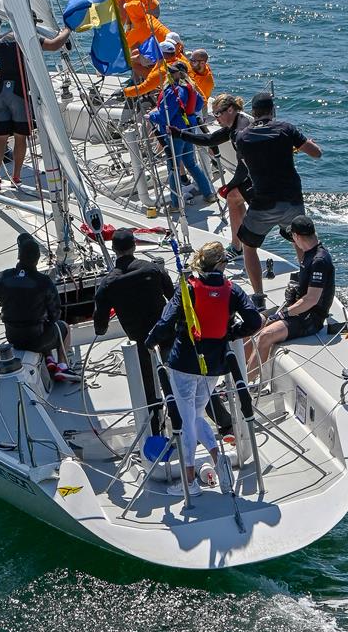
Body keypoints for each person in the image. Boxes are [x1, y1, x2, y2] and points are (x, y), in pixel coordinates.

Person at [147, 241, 262, 495]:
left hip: (184, 362)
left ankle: (190, 483)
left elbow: (165, 322)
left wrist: (150, 342)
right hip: (214, 364)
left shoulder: (187, 289)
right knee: (196, 416)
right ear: (221, 265)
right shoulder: (233, 290)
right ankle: (217, 460)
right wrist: (232, 333)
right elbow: (255, 320)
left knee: (187, 421)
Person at [234, 91, 322, 307]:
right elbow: (316, 153)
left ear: (253, 113)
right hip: (291, 200)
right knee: (300, 242)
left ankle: (258, 297)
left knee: (248, 245)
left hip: (263, 202)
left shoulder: (242, 137)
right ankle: (305, 288)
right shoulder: (286, 129)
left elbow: (249, 162)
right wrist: (299, 145)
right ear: (273, 110)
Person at [93, 229, 174, 435]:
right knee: (176, 379)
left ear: (113, 250)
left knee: (150, 389)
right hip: (166, 333)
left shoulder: (108, 283)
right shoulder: (153, 269)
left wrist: (103, 326)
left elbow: (100, 326)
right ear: (134, 246)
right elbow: (173, 297)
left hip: (141, 342)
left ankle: (156, 431)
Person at [0, 24, 71, 191]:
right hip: (19, 93)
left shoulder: (0, 39)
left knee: (0, 137)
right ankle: (16, 177)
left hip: (1, 92)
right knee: (20, 137)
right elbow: (54, 45)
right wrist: (68, 29)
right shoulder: (27, 39)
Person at [0, 232, 71, 377]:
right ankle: (62, 365)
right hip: (37, 340)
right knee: (63, 327)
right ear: (37, 259)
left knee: (41, 324)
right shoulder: (44, 282)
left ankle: (49, 358)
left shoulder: (1, 278)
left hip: (14, 338)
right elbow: (55, 314)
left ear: (18, 257)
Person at [173, 93, 251, 261]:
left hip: (259, 178)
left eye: (217, 114)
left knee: (280, 224)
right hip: (255, 174)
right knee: (233, 198)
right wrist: (180, 134)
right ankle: (239, 245)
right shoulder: (235, 123)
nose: (215, 119)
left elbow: (245, 166)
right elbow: (210, 139)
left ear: (230, 110)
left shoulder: (240, 132)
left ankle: (242, 245)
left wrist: (231, 185)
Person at [255, 215, 335, 365]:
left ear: (297, 236)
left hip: (310, 318)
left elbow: (311, 299)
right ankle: (238, 377)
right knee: (254, 322)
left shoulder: (319, 261)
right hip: (297, 309)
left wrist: (283, 314)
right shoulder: (308, 254)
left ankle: (246, 385)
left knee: (266, 335)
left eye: (292, 235)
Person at [148, 61, 215, 210]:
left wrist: (151, 117)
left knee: (173, 167)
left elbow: (165, 116)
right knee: (190, 163)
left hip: (176, 132)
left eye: (171, 72)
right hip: (189, 128)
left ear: (178, 74)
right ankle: (209, 194)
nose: (168, 74)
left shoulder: (173, 91)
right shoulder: (191, 88)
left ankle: (176, 203)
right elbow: (199, 104)